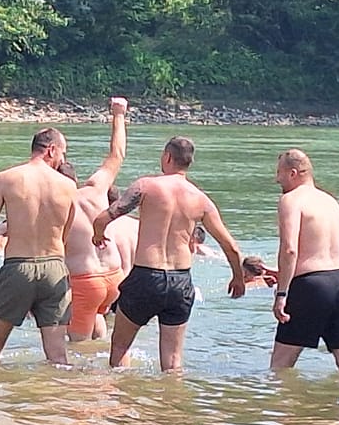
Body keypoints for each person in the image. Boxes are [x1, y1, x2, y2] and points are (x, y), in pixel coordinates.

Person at [93, 136, 247, 372]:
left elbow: (105, 217)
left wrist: (98, 234)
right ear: (189, 163)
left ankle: (120, 401)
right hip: (180, 282)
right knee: (173, 360)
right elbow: (232, 248)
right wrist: (237, 277)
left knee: (121, 347)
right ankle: (171, 405)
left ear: (167, 157)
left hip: (146, 277)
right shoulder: (201, 200)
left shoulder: (146, 186)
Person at [0, 126, 79, 366]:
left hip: (17, 267)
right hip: (54, 268)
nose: (63, 160)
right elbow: (65, 235)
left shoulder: (6, 178)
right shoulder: (68, 186)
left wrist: (7, 227)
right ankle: (54, 401)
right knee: (58, 357)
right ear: (51, 150)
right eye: (62, 153)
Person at [269, 149, 339, 377]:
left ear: (293, 173)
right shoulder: (330, 201)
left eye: (279, 172)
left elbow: (290, 249)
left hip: (311, 284)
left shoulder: (290, 200)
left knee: (281, 365)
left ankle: (283, 412)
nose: (276, 179)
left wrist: (282, 294)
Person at [66, 99, 132, 344]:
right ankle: (107, 379)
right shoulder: (95, 189)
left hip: (86, 280)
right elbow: (117, 154)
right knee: (97, 328)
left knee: (77, 347)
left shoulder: (56, 205)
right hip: (113, 276)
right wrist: (118, 115)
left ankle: (89, 382)